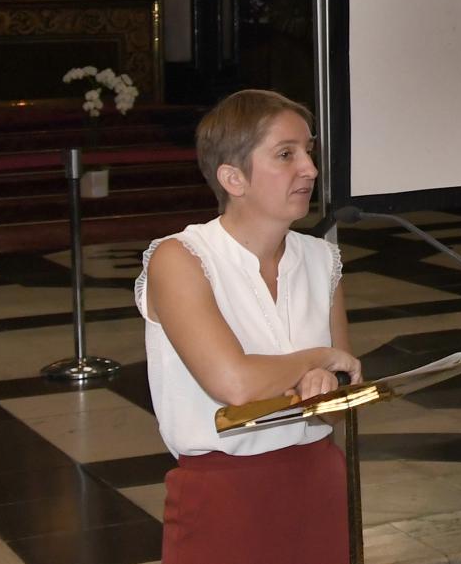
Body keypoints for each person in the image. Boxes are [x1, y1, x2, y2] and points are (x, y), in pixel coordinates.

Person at [137, 90, 361, 564]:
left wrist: (324, 390)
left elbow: (340, 404)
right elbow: (233, 382)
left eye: (308, 151)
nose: (310, 169)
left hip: (319, 481)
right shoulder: (181, 259)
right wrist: (317, 361)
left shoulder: (322, 260)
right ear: (233, 178)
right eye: (286, 155)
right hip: (225, 491)